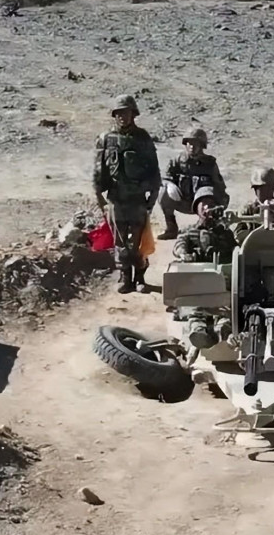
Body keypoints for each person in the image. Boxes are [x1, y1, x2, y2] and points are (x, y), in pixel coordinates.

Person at [93, 95, 161, 294]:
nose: (123, 116)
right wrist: (99, 197)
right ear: (114, 115)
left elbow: (154, 169)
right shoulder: (106, 138)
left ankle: (140, 277)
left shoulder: (143, 138)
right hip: (116, 197)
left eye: (126, 112)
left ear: (133, 114)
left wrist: (152, 198)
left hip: (138, 198)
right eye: (119, 113)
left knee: (138, 241)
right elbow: (98, 169)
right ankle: (125, 277)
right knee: (120, 240)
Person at [172, 187, 238, 349]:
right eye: (204, 204)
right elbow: (179, 244)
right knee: (195, 309)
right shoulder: (189, 231)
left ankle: (223, 329)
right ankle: (198, 330)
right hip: (197, 282)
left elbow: (236, 253)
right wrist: (184, 254)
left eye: (211, 204)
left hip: (220, 282)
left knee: (224, 309)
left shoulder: (225, 234)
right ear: (197, 208)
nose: (208, 208)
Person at [158, 127, 229, 240]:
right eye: (189, 143)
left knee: (206, 194)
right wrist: (170, 185)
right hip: (182, 200)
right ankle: (171, 228)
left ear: (201, 146)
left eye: (195, 143)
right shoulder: (178, 160)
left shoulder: (210, 164)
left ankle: (203, 227)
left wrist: (219, 203)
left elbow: (219, 186)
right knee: (163, 192)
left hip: (202, 204)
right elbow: (166, 177)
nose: (192, 146)